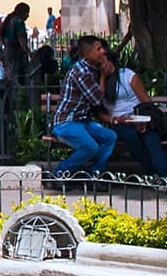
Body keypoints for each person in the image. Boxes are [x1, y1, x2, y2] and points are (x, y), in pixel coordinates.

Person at [49, 36, 117, 181]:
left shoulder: (92, 68)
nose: (103, 51)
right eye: (98, 49)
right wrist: (104, 76)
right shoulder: (82, 72)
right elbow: (97, 99)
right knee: (91, 147)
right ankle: (59, 174)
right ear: (87, 55)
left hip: (82, 121)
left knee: (110, 137)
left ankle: (95, 174)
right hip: (66, 123)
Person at [103, 43, 167, 182]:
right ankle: (154, 175)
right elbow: (98, 106)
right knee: (131, 137)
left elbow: (146, 101)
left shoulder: (127, 75)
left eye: (105, 62)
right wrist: (102, 77)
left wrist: (142, 120)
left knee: (151, 139)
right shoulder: (97, 82)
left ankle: (166, 177)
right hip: (119, 122)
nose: (103, 66)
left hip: (139, 117)